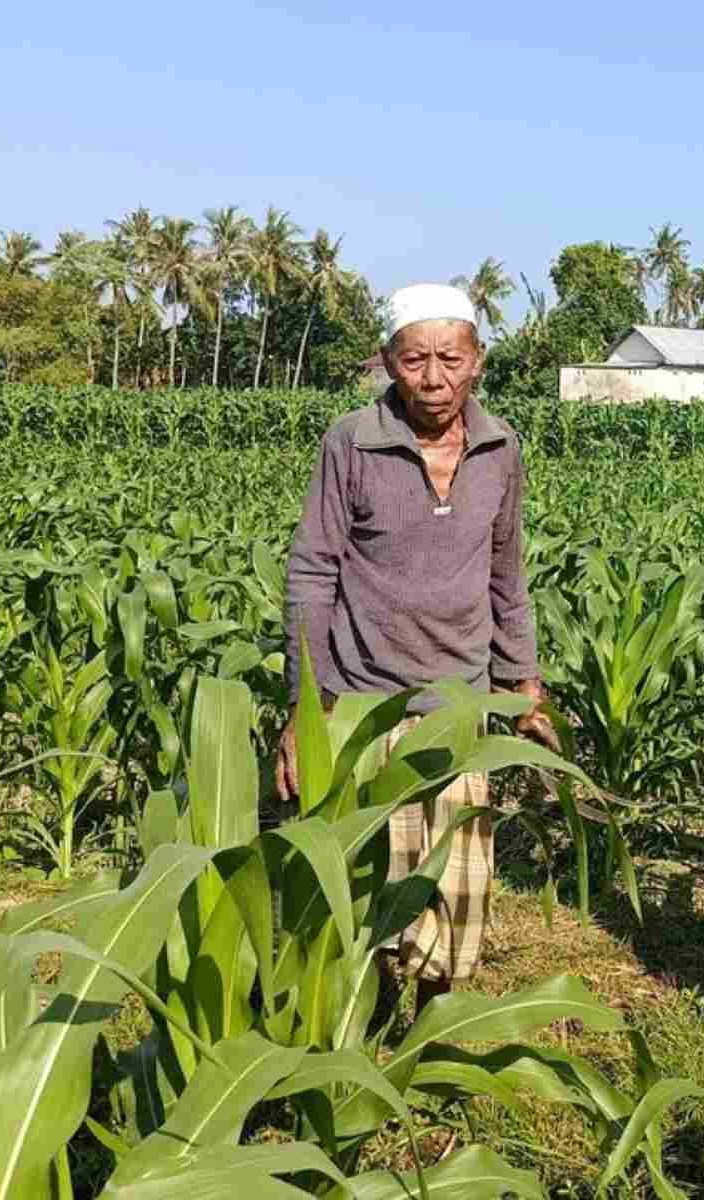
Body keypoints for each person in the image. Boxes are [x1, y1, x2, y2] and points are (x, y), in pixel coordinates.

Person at [275, 281, 557, 1012]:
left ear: (479, 360)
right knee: (367, 892)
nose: (434, 379)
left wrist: (524, 682)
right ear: (386, 361)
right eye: (414, 361)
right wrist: (306, 707)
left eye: (451, 360)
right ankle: (360, 1021)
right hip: (365, 706)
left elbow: (506, 571)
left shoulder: (500, 447)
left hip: (458, 708)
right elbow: (312, 572)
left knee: (456, 894)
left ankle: (431, 1033)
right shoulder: (351, 442)